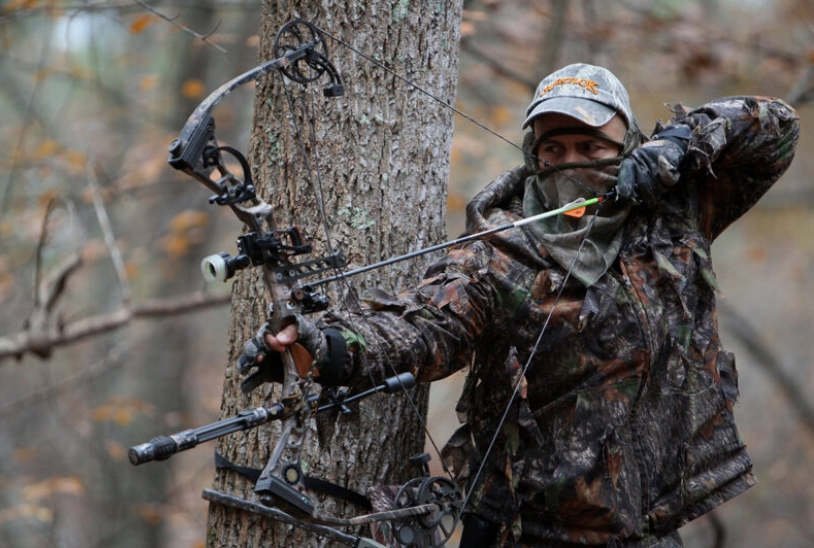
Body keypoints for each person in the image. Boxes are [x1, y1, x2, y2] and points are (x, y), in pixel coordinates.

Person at [237, 63, 800, 547]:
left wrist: (676, 145)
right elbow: (425, 328)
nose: (571, 163)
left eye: (591, 147)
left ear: (627, 147)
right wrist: (327, 345)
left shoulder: (675, 212)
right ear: (533, 154)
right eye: (553, 148)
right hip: (527, 530)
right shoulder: (501, 247)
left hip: (649, 522)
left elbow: (775, 127)